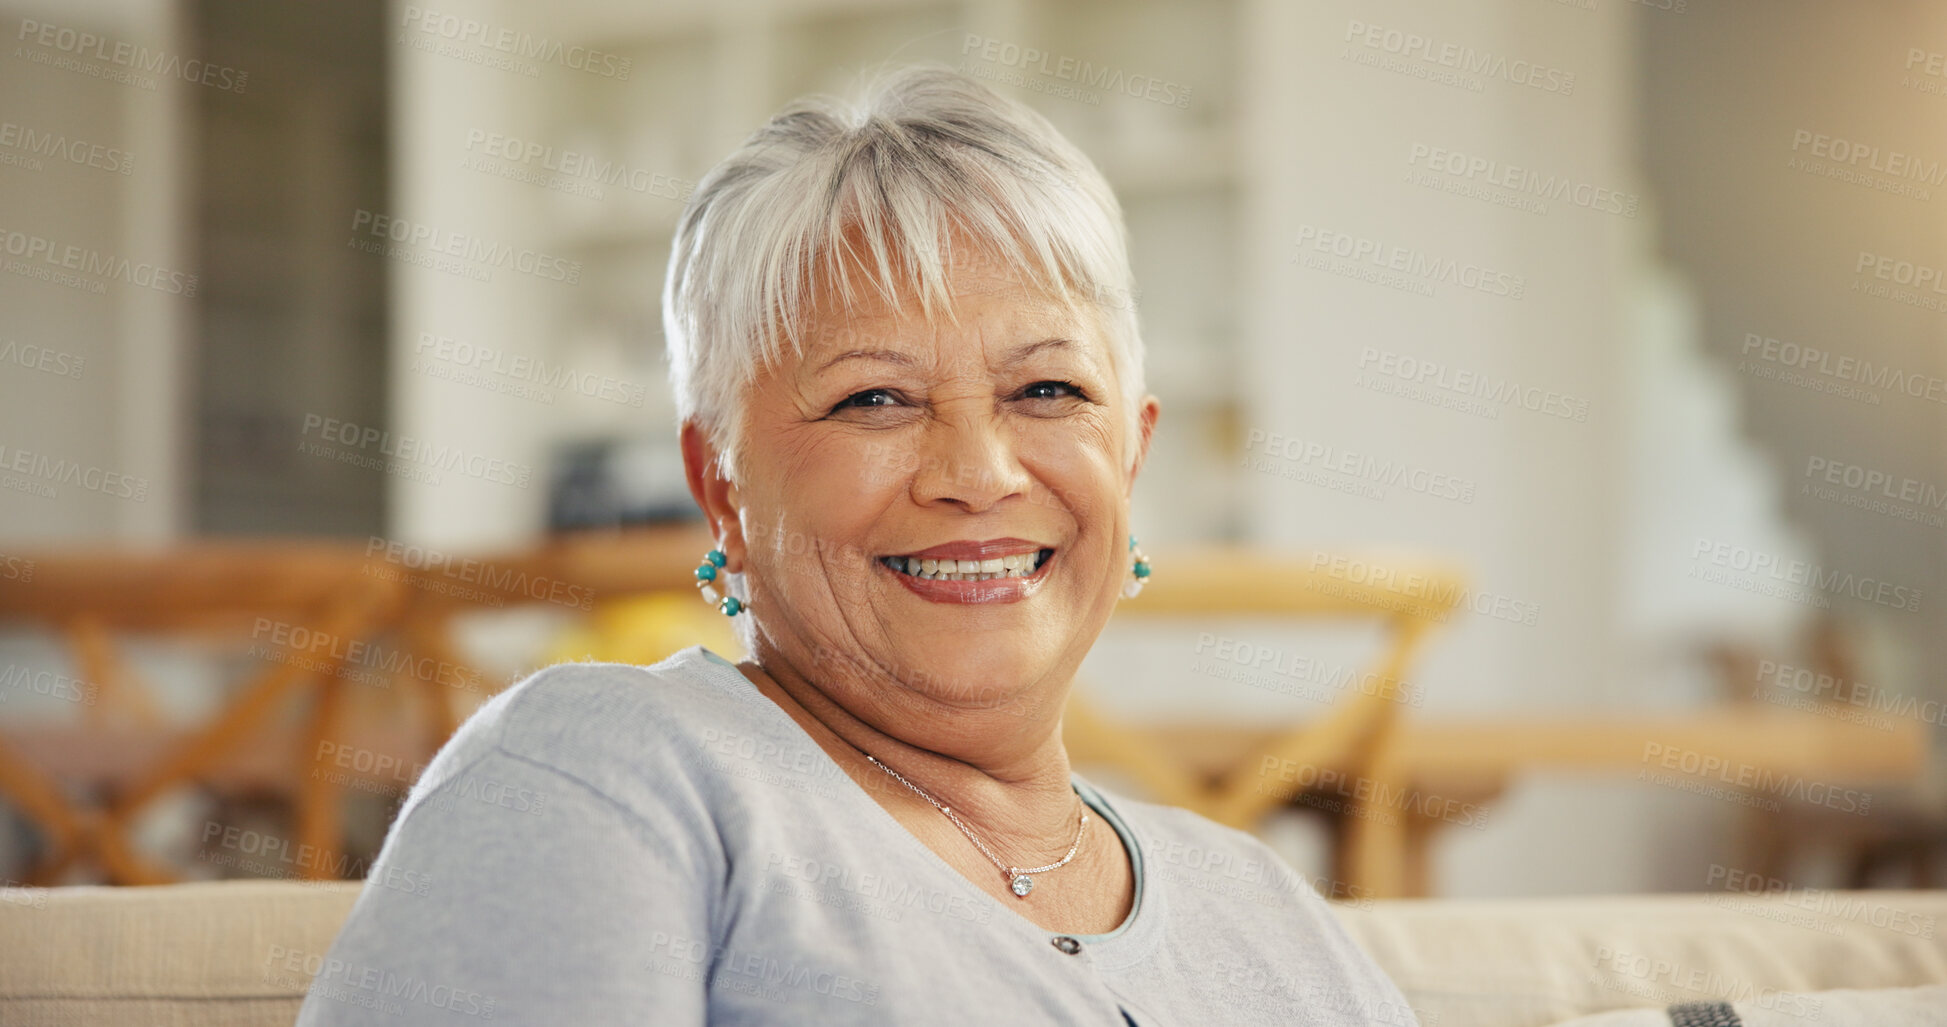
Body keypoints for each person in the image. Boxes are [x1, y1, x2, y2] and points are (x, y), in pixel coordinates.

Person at [298, 65, 1417, 1026]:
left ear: (1128, 456)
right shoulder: (609, 775)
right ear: (719, 483)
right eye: (876, 398)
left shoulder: (1270, 911)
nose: (979, 472)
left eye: (1046, 388)